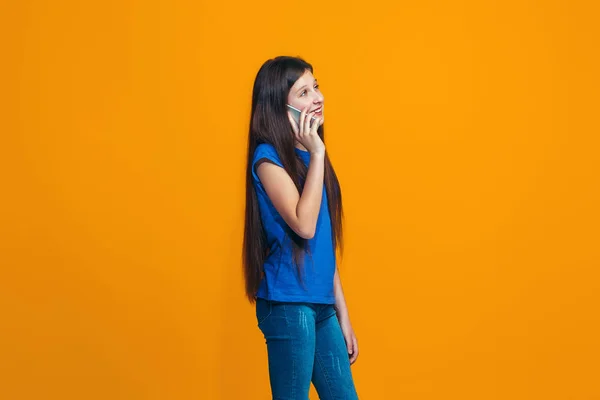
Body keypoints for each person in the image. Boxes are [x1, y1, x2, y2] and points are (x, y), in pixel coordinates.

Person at [243, 56, 359, 399]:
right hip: (289, 303)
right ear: (281, 108)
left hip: (320, 304)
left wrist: (342, 313)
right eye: (304, 92)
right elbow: (304, 226)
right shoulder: (268, 159)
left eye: (317, 87)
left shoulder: (310, 157)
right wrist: (319, 154)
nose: (318, 97)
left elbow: (322, 243)